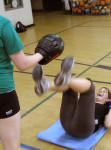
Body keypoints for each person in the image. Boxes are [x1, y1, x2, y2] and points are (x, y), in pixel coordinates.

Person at [0, 15, 64, 150]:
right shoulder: (3, 24)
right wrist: (43, 54)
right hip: (2, 92)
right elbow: (22, 64)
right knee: (11, 146)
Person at [32, 56, 111, 138]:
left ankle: (66, 79)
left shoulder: (106, 108)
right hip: (67, 123)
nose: (100, 91)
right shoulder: (88, 102)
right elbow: (76, 103)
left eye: (104, 92)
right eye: (100, 90)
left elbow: (108, 124)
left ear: (107, 99)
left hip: (83, 129)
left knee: (90, 87)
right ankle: (45, 85)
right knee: (71, 88)